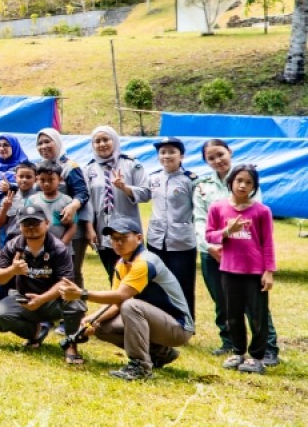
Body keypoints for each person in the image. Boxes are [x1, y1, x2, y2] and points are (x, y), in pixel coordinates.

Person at [57, 217, 193, 381]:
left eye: (123, 238)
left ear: (139, 238)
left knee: (131, 306)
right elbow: (115, 304)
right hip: (156, 322)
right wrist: (91, 320)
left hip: (178, 327)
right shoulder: (122, 264)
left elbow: (121, 296)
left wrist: (82, 294)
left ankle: (140, 367)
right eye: (114, 239)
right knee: (101, 326)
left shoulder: (144, 262)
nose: (117, 243)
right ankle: (159, 353)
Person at [193, 139, 279, 365]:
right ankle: (234, 347)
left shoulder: (256, 198)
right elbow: (205, 226)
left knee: (257, 311)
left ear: (229, 152)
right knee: (228, 307)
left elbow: (265, 238)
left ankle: (265, 351)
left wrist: (269, 269)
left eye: (220, 154)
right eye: (211, 158)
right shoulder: (205, 188)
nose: (217, 160)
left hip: (251, 263)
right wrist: (217, 240)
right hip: (221, 261)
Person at [0, 205, 87, 364]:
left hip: (53, 301)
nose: (30, 227)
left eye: (35, 222)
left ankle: (71, 346)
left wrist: (42, 299)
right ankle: (35, 333)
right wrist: (12, 270)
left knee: (74, 302)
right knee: (0, 314)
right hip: (25, 300)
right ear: (19, 226)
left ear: (47, 223)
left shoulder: (58, 248)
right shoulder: (13, 246)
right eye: (26, 223)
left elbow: (66, 282)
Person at [85, 126, 150, 285]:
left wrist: (125, 188)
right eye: (97, 141)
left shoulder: (131, 164)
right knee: (113, 276)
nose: (102, 144)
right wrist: (89, 228)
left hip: (128, 233)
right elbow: (86, 203)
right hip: (103, 233)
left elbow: (146, 193)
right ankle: (118, 307)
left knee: (133, 276)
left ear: (114, 140)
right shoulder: (89, 169)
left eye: (106, 139)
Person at [145, 137, 199, 321]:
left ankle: (186, 322)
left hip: (182, 242)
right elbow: (142, 194)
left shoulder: (190, 180)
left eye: (171, 152)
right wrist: (124, 187)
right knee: (157, 282)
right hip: (156, 240)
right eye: (162, 152)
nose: (166, 156)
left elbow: (199, 208)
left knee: (182, 283)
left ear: (181, 156)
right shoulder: (153, 178)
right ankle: (161, 321)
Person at [35, 128, 91, 279]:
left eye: (47, 141)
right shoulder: (39, 168)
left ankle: (77, 303)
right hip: (48, 229)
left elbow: (83, 193)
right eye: (40, 143)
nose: (43, 146)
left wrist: (73, 205)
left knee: (72, 271)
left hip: (71, 229)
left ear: (57, 142)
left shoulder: (70, 167)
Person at [26, 162, 75, 244]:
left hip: (62, 250)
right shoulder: (32, 200)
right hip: (38, 247)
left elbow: (72, 227)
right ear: (37, 179)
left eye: (51, 180)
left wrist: (61, 245)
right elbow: (27, 224)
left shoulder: (67, 201)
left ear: (59, 179)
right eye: (42, 180)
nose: (46, 184)